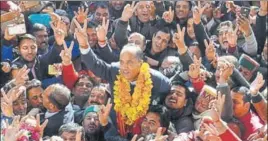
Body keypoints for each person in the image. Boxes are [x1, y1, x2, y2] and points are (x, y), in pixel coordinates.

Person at [73, 18, 170, 137]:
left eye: (130, 62)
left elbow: (168, 90)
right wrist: (84, 44)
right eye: (122, 62)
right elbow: (95, 65)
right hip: (115, 126)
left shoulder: (156, 79)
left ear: (140, 63)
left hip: (142, 129)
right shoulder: (115, 70)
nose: (124, 67)